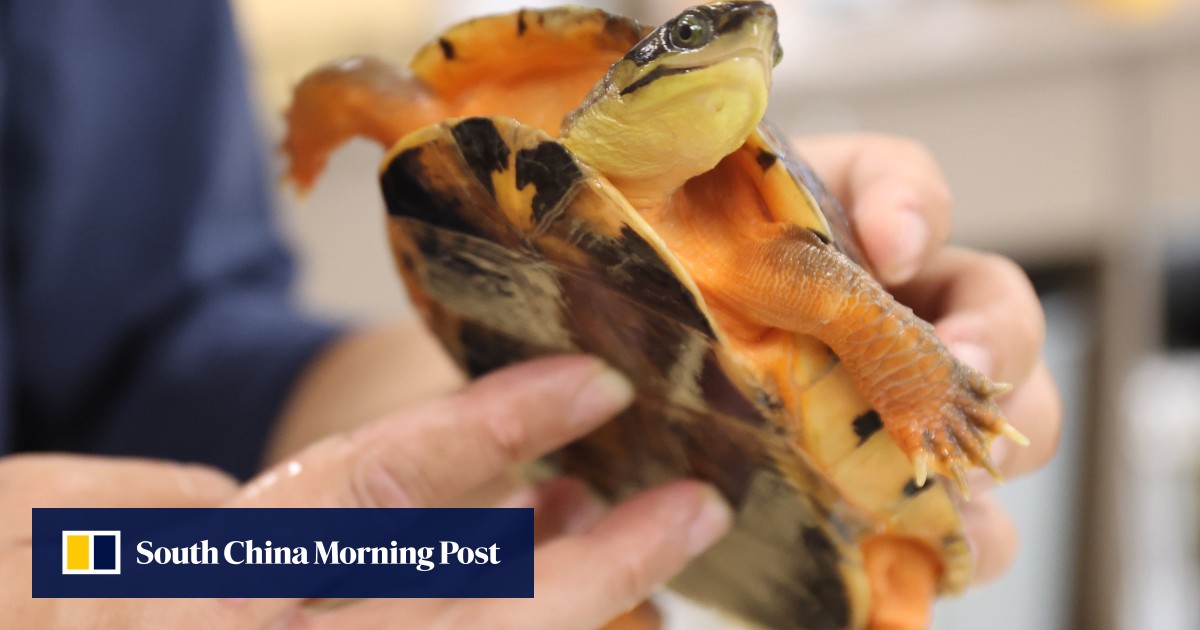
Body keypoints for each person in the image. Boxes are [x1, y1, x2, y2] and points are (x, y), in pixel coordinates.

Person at [0, 1, 1061, 627]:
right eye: (700, 31)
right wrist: (121, 559)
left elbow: (156, 353)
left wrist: (516, 418)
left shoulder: (755, 255)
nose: (743, 37)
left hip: (160, 547)